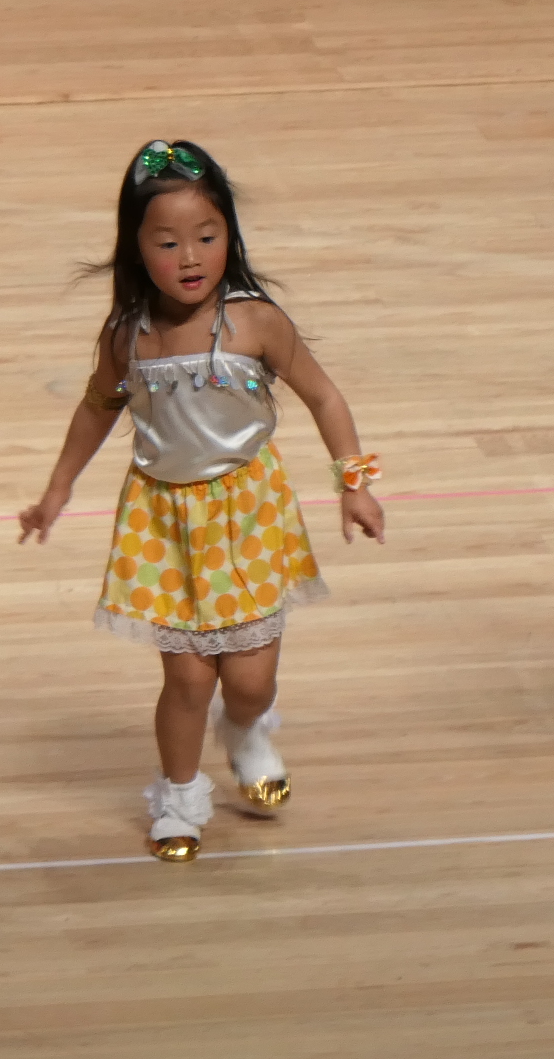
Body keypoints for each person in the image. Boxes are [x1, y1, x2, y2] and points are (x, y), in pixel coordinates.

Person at [19, 139, 386, 860]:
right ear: (136, 249)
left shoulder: (257, 323)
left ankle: (245, 727)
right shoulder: (128, 336)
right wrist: (58, 487)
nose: (189, 257)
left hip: (249, 513)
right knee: (187, 678)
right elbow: (97, 408)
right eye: (167, 242)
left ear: (230, 237)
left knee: (249, 680)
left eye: (207, 237)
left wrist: (354, 482)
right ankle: (179, 797)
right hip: (163, 521)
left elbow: (323, 395)